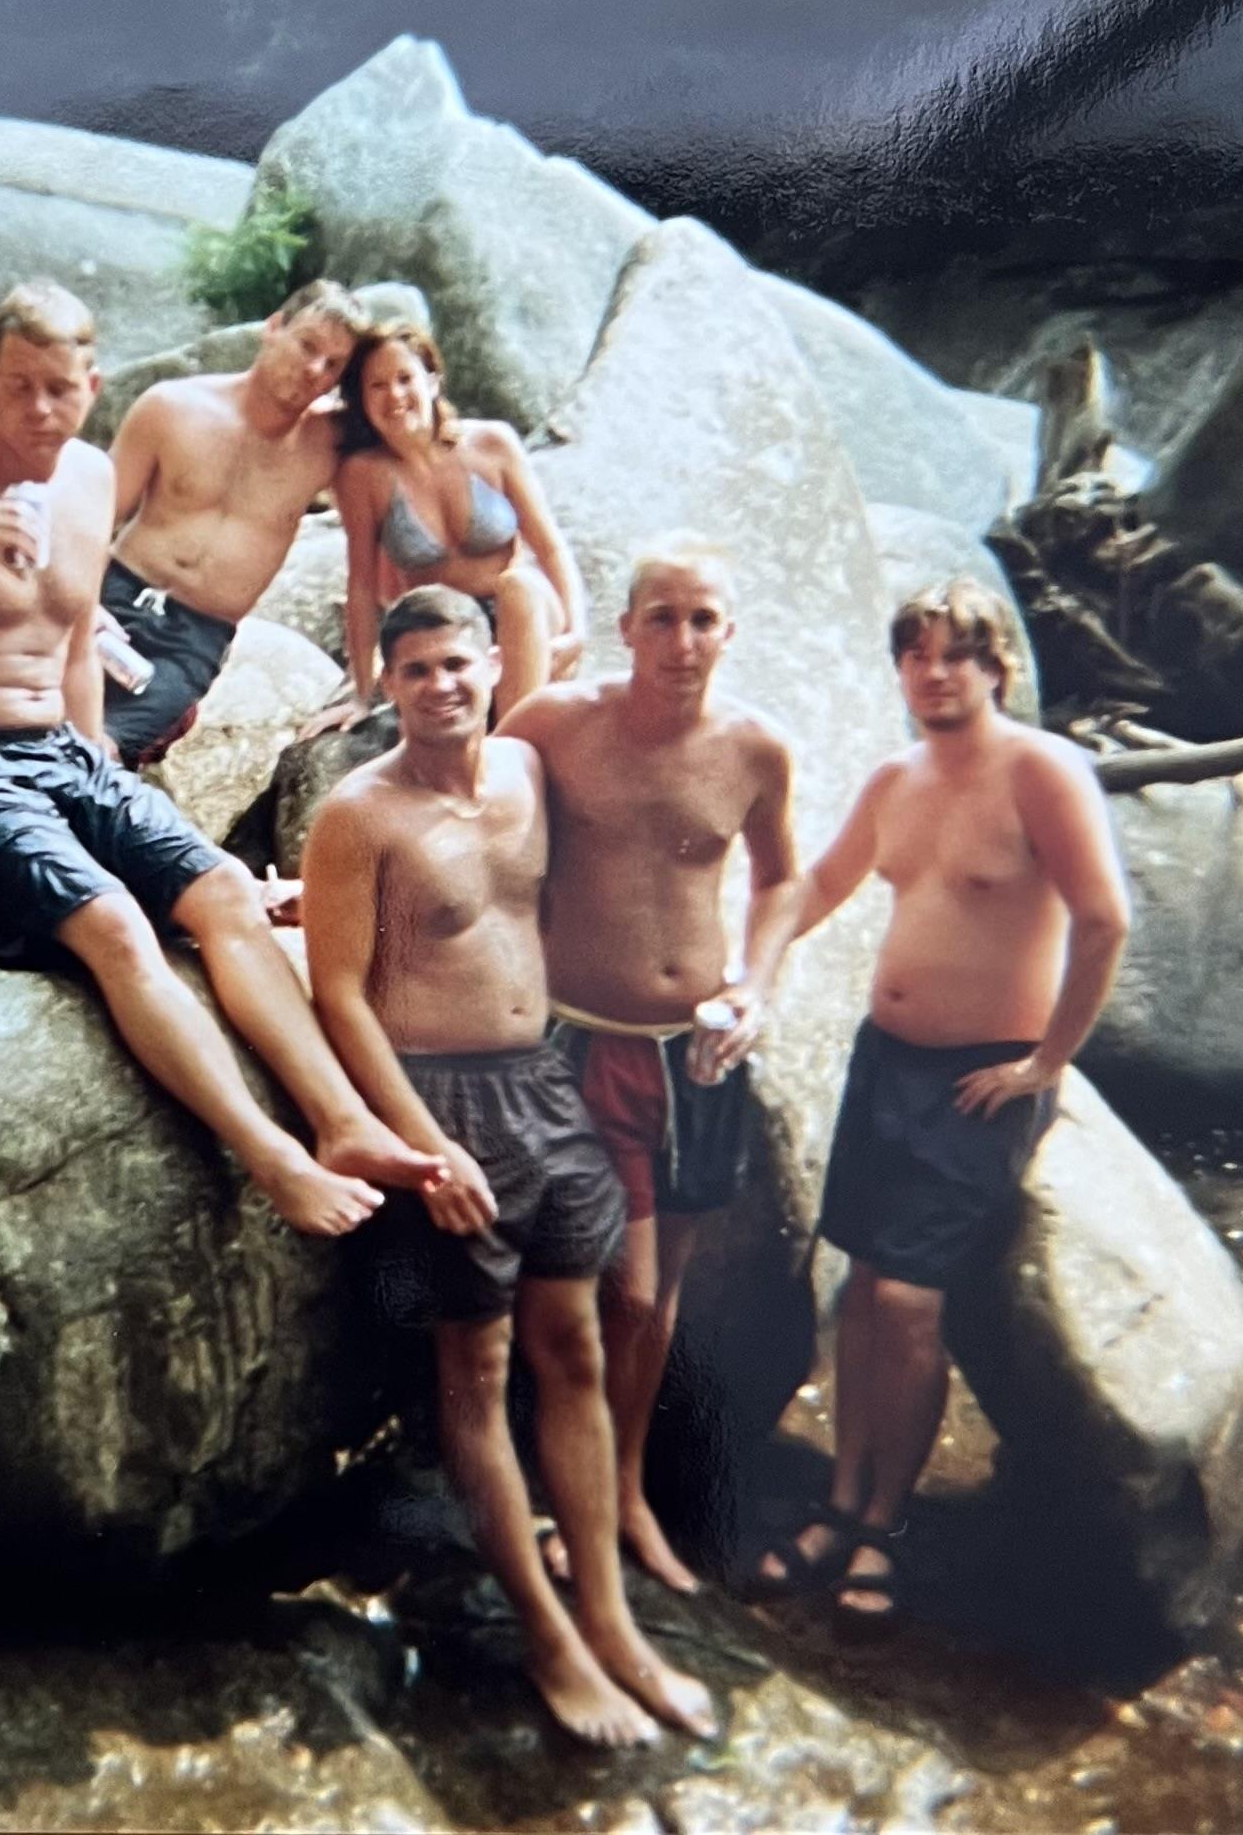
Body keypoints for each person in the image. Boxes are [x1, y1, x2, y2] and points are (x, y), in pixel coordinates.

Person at [0, 282, 444, 1234]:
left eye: (60, 389)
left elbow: (72, 641)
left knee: (224, 893)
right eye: (19, 386)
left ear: (92, 388)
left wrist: (96, 772)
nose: (40, 409)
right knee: (112, 922)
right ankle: (272, 1156)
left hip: (55, 750)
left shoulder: (85, 482)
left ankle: (342, 1123)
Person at [304, 585, 721, 1749]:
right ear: (388, 683)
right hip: (440, 1100)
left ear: (493, 667)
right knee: (476, 1373)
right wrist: (421, 1148)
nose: (441, 686)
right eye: (417, 669)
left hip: (545, 1085)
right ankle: (549, 1640)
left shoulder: (529, 773)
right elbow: (338, 994)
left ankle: (611, 1624)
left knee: (575, 1350)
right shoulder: (359, 815)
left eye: (458, 664)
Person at [745, 578, 1131, 1633]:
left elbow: (1104, 921)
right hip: (886, 1065)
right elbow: (817, 887)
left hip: (980, 1078)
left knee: (912, 1304)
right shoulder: (896, 778)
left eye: (956, 653)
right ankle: (839, 1502)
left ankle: (884, 1525)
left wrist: (1046, 1063)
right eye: (915, 655)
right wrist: (749, 974)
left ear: (997, 665)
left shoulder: (1043, 771)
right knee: (866, 1293)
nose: (934, 672)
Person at [499, 542, 799, 1596]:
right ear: (625, 628)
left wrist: (756, 987)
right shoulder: (552, 724)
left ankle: (623, 1494)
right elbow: (471, 827)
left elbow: (782, 881)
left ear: (730, 631)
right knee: (608, 1288)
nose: (682, 641)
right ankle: (570, 1497)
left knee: (658, 1296)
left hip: (695, 1055)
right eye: (662, 618)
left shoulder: (756, 749)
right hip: (580, 1038)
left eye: (703, 619)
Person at [94, 279, 371, 766]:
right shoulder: (171, 407)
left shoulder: (330, 446)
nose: (315, 370)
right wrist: (81, 607)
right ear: (273, 327)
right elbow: (93, 517)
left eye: (333, 365)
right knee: (27, 717)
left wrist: (363, 689)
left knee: (101, 750)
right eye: (307, 345)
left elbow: (366, 567)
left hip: (193, 639)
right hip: (114, 596)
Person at [320, 323, 589, 732]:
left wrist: (577, 631)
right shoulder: (363, 475)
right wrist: (361, 693)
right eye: (377, 386)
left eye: (405, 378)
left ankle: (510, 747)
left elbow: (551, 547)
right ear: (362, 399)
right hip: (446, 630)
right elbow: (361, 587)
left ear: (432, 381)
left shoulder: (493, 444)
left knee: (519, 584)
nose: (394, 395)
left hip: (523, 620)